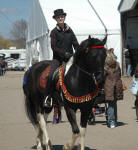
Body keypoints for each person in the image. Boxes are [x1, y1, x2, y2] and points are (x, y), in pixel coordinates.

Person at [44, 9, 79, 107]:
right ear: (55, 19)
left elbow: (75, 43)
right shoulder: (54, 32)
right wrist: (64, 54)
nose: (60, 18)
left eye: (62, 16)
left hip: (70, 58)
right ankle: (48, 97)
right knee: (51, 75)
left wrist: (79, 51)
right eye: (58, 17)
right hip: (58, 58)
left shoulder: (70, 30)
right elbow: (54, 47)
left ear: (64, 17)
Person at [104, 52, 124, 128]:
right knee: (114, 104)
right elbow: (120, 74)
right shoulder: (118, 64)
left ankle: (111, 121)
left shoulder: (105, 66)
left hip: (109, 86)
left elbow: (102, 76)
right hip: (118, 85)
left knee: (111, 105)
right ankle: (115, 120)